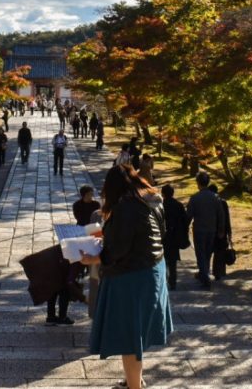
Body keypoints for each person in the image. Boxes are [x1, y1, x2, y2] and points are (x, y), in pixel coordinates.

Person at [81, 165, 172, 389]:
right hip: (153, 270)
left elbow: (117, 250)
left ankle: (134, 387)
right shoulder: (150, 201)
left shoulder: (125, 207)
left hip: (131, 277)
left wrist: (92, 259)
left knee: (129, 336)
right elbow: (153, 235)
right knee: (135, 334)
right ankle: (135, 380)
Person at [186, 171, 224, 289]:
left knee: (200, 253)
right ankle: (204, 273)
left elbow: (189, 215)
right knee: (207, 253)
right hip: (212, 229)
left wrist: (185, 227)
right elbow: (221, 215)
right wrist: (221, 229)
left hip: (199, 230)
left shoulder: (195, 198)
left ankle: (205, 276)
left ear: (198, 183)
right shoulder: (215, 198)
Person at [160, 184, 189, 291]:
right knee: (173, 261)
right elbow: (185, 221)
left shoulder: (161, 206)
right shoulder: (179, 205)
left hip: (164, 237)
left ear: (163, 194)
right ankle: (173, 282)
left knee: (162, 260)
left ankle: (163, 281)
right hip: (175, 237)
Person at [209, 184, 233, 280]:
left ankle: (211, 271)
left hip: (211, 230)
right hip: (222, 231)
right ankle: (219, 272)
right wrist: (229, 232)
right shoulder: (223, 202)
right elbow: (227, 218)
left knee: (210, 252)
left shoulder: (209, 203)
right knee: (220, 253)